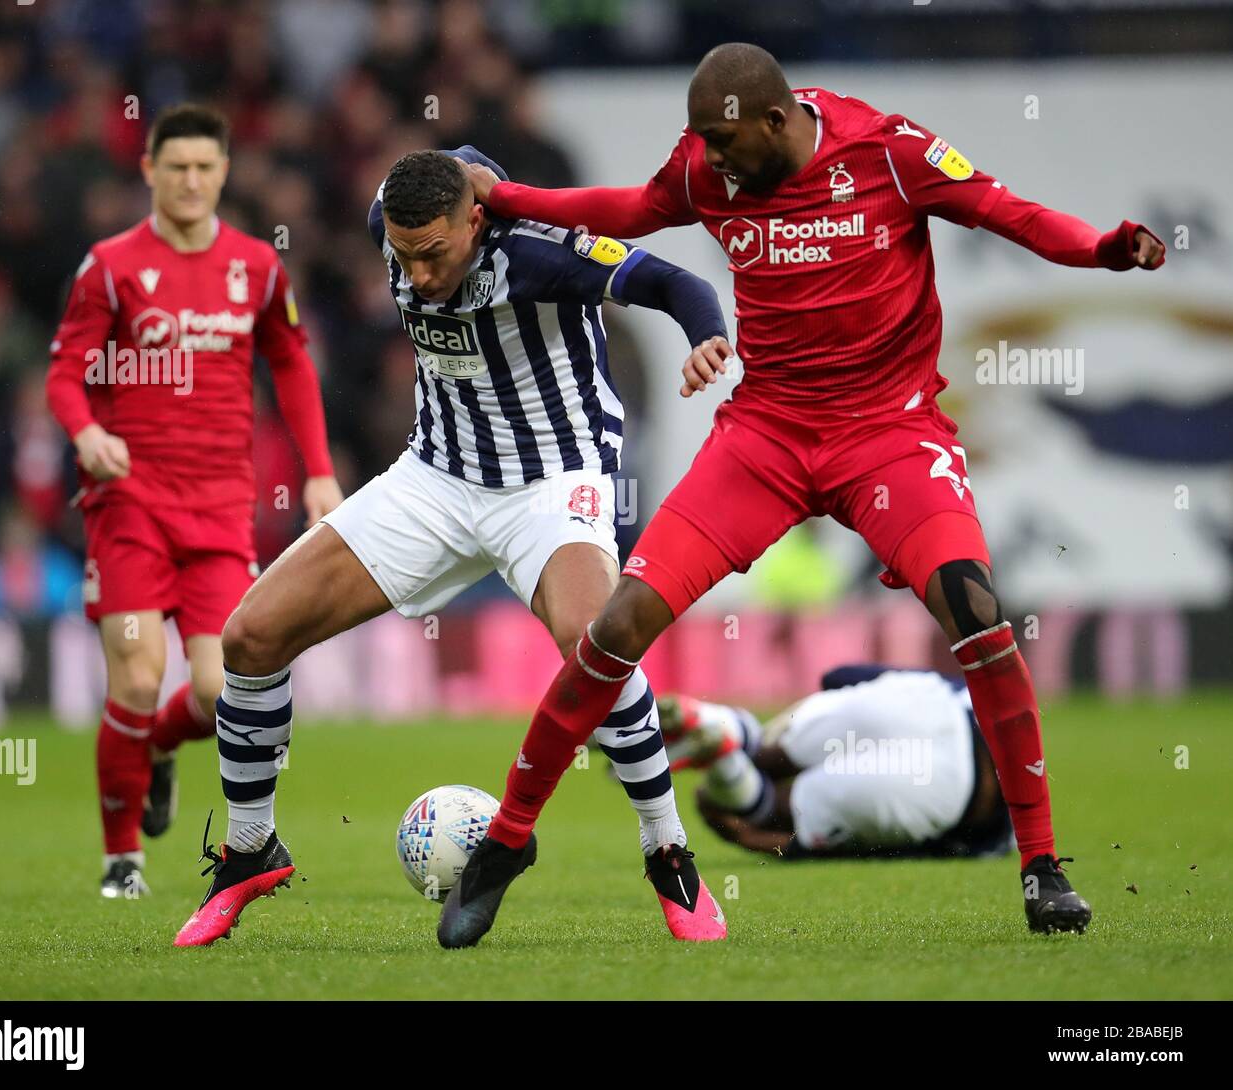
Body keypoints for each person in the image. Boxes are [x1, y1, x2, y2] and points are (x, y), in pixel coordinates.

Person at [443, 42, 1167, 945]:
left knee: (980, 618)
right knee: (617, 628)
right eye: (701, 140)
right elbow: (628, 208)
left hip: (888, 434)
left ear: (777, 123)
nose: (709, 160)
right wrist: (497, 196)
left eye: (724, 140)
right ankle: (507, 842)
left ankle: (1042, 865)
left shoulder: (888, 153)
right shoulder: (711, 165)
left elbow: (1006, 212)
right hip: (769, 436)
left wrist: (1103, 250)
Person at [173, 147, 733, 948]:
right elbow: (440, 173)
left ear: (477, 218)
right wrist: (453, 173)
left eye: (434, 254)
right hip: (436, 478)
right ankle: (250, 848)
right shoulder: (393, 221)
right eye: (404, 257)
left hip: (551, 482)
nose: (419, 274)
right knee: (250, 636)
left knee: (593, 640)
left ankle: (667, 849)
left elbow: (679, 285)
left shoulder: (540, 252)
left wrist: (706, 339)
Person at [46, 104, 341, 898]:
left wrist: (317, 469)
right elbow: (66, 372)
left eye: (204, 167)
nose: (189, 181)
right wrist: (83, 434)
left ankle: (159, 750)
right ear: (148, 170)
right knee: (137, 682)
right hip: (129, 504)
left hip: (218, 511)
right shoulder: (109, 266)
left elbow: (293, 364)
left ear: (223, 172)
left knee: (218, 694)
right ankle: (122, 862)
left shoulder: (256, 267)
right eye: (174, 166)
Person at [658, 666, 1014, 862]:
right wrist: (773, 843)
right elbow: (898, 850)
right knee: (769, 811)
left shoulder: (968, 691)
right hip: (953, 791)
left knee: (770, 750)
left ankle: (712, 722)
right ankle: (726, 761)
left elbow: (840, 675)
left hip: (932, 702)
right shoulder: (1001, 840)